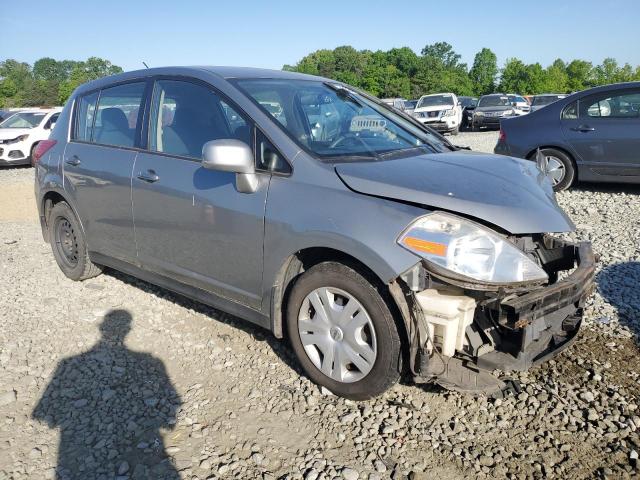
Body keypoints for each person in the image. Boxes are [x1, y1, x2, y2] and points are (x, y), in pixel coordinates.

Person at [33, 310, 181, 480]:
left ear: (102, 328)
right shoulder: (152, 361)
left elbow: (44, 415)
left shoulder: (67, 363)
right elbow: (172, 411)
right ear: (128, 329)